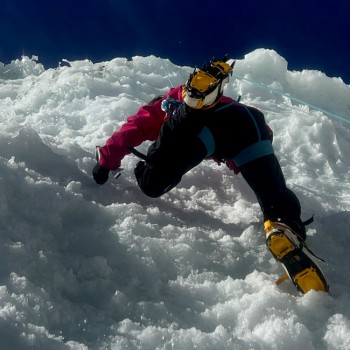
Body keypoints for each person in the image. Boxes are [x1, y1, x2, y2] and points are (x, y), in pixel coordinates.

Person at [93, 56, 328, 294]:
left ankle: (190, 109)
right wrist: (243, 164)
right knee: (275, 199)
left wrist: (105, 161)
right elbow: (264, 135)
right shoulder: (233, 108)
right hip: (250, 124)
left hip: (201, 125)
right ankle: (285, 227)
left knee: (150, 183)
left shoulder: (163, 103)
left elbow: (133, 129)